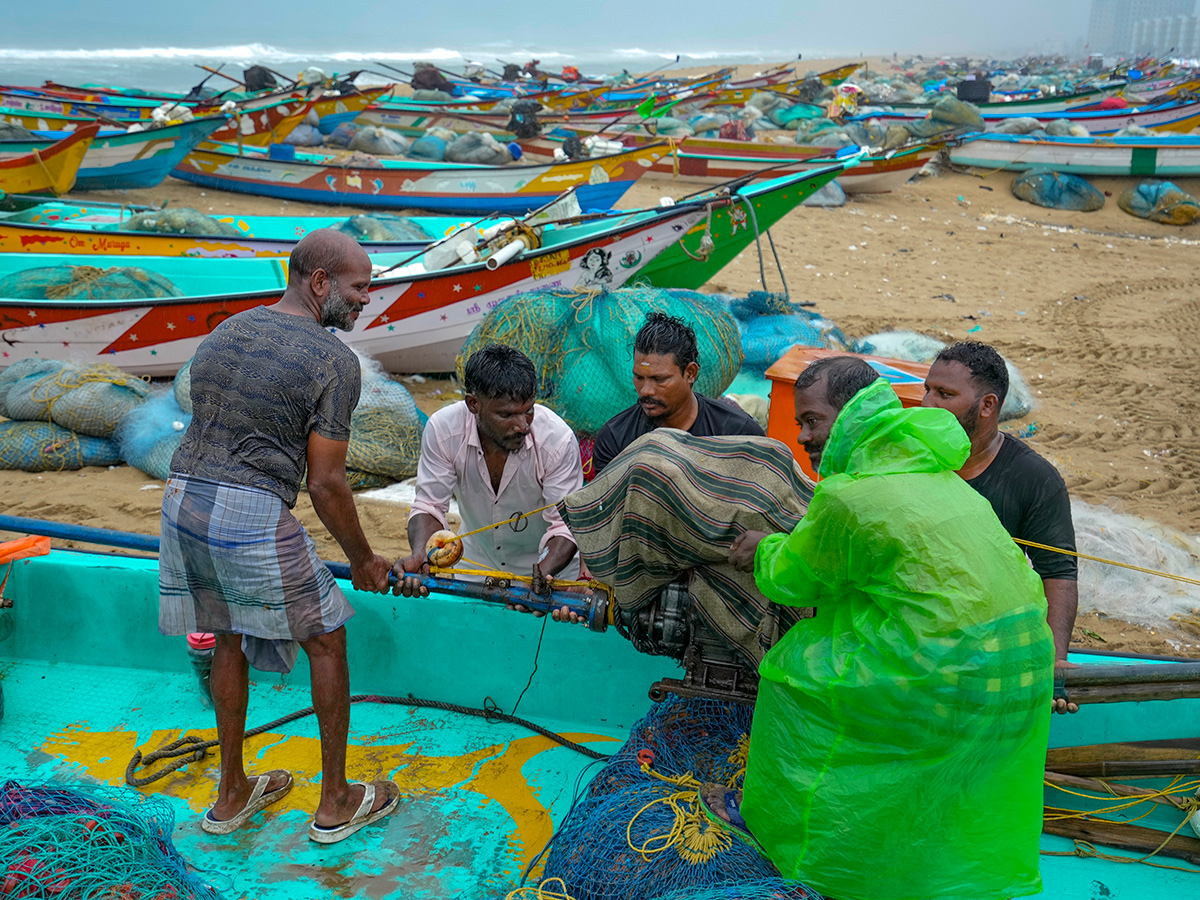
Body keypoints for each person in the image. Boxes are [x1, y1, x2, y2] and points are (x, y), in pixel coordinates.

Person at [711, 356, 1054, 900]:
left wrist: (763, 548)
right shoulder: (934, 472)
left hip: (946, 669)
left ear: (849, 417)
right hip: (1026, 661)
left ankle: (786, 834)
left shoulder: (849, 495)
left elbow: (796, 579)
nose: (802, 437)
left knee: (796, 680)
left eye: (813, 421)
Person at [158, 230, 398, 843]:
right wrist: (366, 561)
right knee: (325, 637)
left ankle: (231, 792)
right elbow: (326, 484)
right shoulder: (333, 361)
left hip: (181, 495)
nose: (367, 300)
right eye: (360, 288)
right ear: (320, 282)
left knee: (229, 635)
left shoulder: (227, 330)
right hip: (247, 509)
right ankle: (337, 800)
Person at [921, 341, 1079, 709]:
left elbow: (1057, 571)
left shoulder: (1034, 478)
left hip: (983, 641)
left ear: (988, 405)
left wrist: (1054, 665)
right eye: (926, 389)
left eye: (945, 394)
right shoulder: (909, 456)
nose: (928, 403)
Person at [394, 344, 583, 604]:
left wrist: (543, 573)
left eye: (529, 409)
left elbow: (565, 525)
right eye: (506, 414)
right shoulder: (443, 430)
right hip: (475, 567)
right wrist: (421, 553)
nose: (522, 425)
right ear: (473, 404)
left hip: (549, 574)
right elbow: (429, 505)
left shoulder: (557, 440)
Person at [591, 312, 763, 476]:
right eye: (639, 377)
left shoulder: (738, 434)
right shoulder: (614, 439)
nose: (646, 391)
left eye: (659, 379)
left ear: (690, 373)